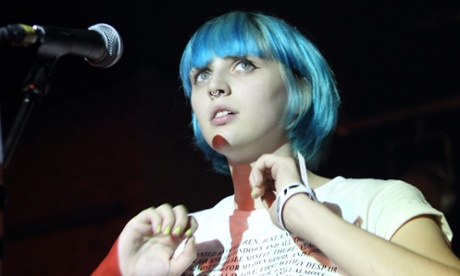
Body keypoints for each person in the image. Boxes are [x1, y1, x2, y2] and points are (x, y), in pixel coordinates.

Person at [92, 11, 460, 275]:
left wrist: (303, 214)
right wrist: (120, 268)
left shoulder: (377, 201)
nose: (215, 86)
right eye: (201, 75)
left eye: (243, 65)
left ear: (299, 87)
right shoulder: (185, 237)